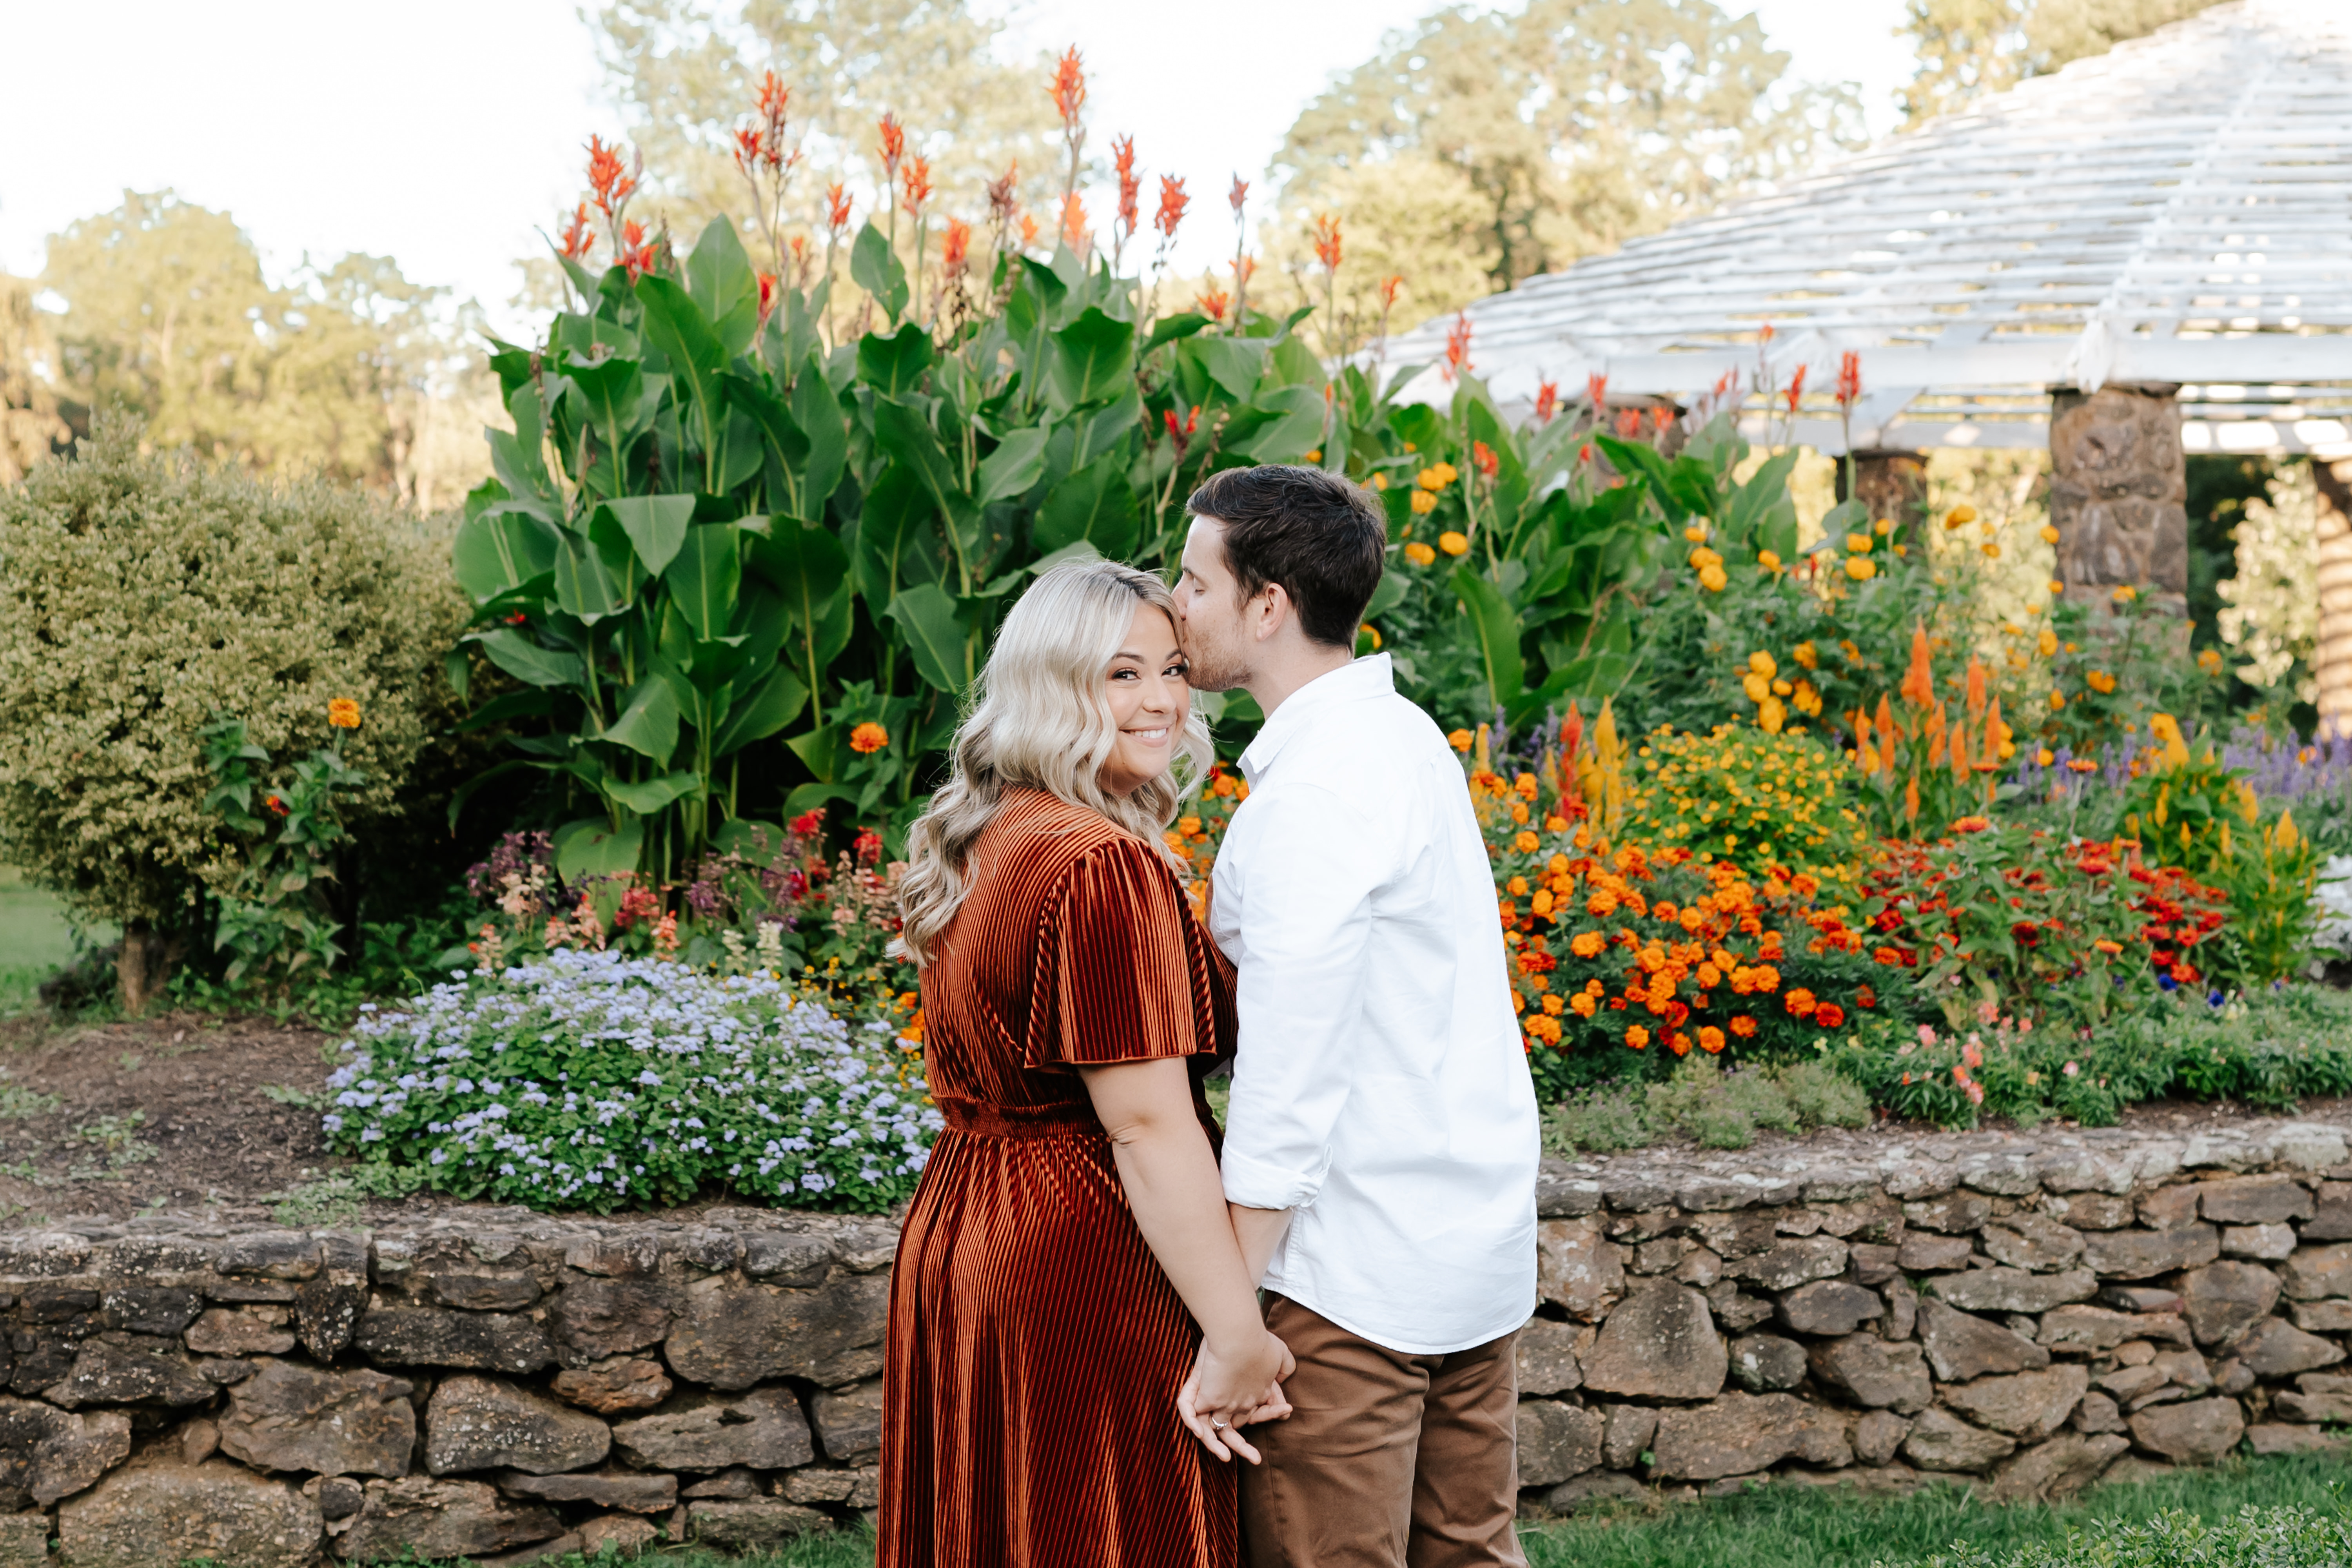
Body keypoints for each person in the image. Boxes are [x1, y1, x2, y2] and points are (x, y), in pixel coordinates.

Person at [878, 557, 1294, 1568]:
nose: (1159, 701)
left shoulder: (994, 832)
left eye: (1172, 669)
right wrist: (1236, 1333)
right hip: (1080, 1245)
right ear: (1055, 687)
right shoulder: (1103, 864)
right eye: (1120, 675)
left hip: (965, 1229)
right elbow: (1144, 1123)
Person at [1173, 465, 1542, 1568]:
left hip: (1351, 1283)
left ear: (1268, 605)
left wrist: (1232, 1314)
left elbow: (1292, 1074)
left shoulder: (1316, 794)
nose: (1174, 604)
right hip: (1467, 1253)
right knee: (1472, 1555)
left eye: (1195, 583)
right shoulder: (1406, 740)